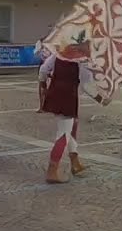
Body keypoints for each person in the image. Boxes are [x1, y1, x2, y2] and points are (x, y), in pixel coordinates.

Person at [38, 40, 106, 184]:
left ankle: (75, 162)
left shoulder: (58, 55)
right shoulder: (82, 61)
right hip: (68, 96)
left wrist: (44, 84)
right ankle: (52, 171)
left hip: (55, 93)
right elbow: (87, 86)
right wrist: (101, 99)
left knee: (72, 126)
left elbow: (43, 70)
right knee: (63, 134)